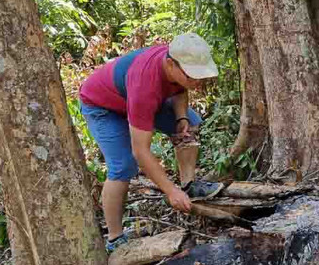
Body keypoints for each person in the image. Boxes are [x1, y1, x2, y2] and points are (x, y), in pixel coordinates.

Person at [79, 32, 223, 252]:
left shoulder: (177, 58)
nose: (197, 82)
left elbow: (180, 90)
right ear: (170, 64)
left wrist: (181, 117)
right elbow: (141, 151)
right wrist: (170, 191)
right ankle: (115, 238)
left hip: (130, 97)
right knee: (123, 166)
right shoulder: (145, 85)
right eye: (192, 76)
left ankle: (189, 185)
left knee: (190, 123)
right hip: (102, 107)